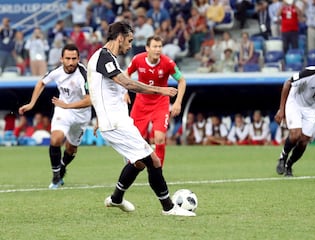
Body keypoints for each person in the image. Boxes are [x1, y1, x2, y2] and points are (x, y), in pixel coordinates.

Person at [87, 21, 195, 216]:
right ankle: (169, 208)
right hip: (116, 124)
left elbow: (99, 92)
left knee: (138, 162)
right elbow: (128, 83)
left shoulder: (106, 58)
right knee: (153, 161)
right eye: (129, 41)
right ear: (119, 37)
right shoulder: (103, 57)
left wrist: (98, 118)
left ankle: (116, 198)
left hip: (115, 122)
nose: (129, 46)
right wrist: (160, 90)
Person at [18, 44, 92, 189]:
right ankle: (56, 176)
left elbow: (89, 100)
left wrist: (67, 105)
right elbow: (41, 83)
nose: (71, 62)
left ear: (78, 59)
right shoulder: (57, 72)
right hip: (63, 111)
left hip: (81, 114)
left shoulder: (84, 75)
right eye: (68, 58)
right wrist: (32, 103)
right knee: (56, 139)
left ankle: (62, 167)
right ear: (61, 59)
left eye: (74, 59)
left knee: (71, 149)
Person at [125, 35, 186, 167]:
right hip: (141, 103)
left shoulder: (168, 63)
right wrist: (124, 92)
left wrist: (178, 102)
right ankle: (130, 164)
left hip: (160, 103)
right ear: (147, 48)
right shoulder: (138, 60)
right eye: (155, 46)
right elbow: (126, 74)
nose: (158, 50)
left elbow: (181, 80)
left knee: (159, 138)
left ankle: (158, 172)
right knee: (135, 138)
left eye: (160, 47)